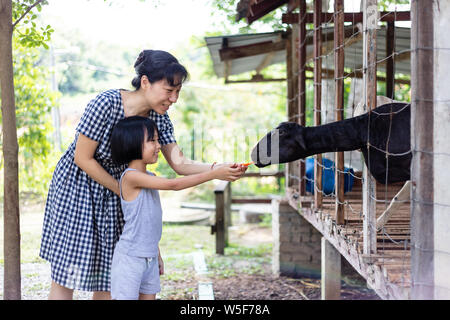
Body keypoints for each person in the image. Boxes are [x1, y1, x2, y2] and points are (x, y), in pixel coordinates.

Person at [40, 49, 247, 300]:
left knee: (109, 273)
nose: (174, 99)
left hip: (123, 190)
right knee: (66, 273)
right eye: (168, 91)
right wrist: (124, 191)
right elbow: (82, 158)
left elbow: (179, 162)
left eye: (178, 92)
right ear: (146, 82)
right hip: (80, 187)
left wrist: (218, 168)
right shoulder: (106, 104)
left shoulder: (159, 118)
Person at [109, 116, 236, 300]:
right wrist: (214, 173)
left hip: (149, 257)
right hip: (130, 259)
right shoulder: (130, 177)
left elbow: (148, 223)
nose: (159, 145)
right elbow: (173, 185)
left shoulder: (149, 175)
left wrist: (157, 254)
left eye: (157, 139)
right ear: (132, 143)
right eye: (152, 140)